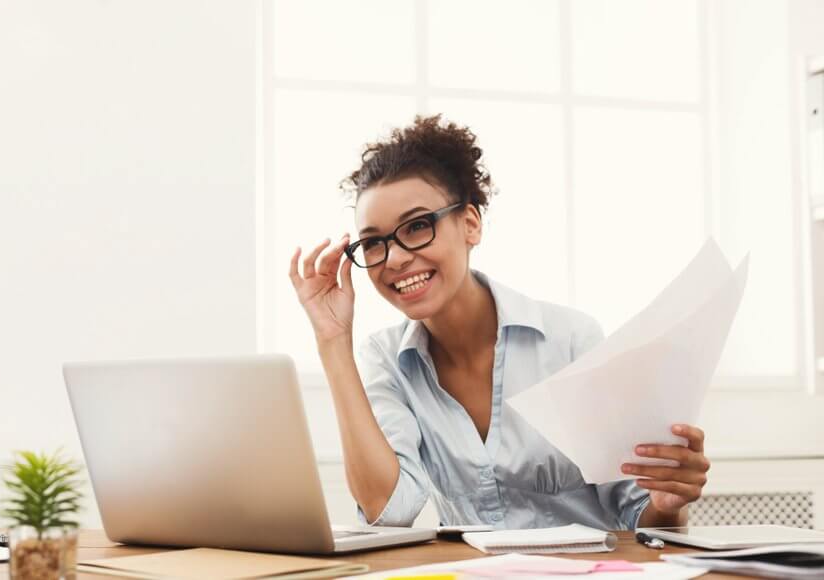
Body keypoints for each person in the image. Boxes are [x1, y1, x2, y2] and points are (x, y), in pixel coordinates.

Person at [288, 115, 710, 530]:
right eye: (374, 242)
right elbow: (389, 509)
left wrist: (667, 504)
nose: (395, 258)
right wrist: (332, 340)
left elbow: (642, 516)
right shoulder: (386, 359)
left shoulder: (571, 340)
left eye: (417, 227)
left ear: (470, 224)